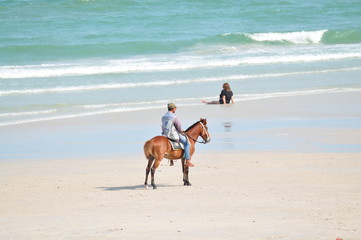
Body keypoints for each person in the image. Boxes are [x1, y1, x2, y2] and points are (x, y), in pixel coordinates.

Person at [161, 103, 194, 167]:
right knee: (187, 143)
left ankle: (171, 160)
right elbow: (178, 126)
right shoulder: (174, 116)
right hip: (172, 134)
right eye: (175, 108)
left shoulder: (163, 116)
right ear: (173, 109)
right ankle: (188, 161)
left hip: (164, 134)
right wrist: (181, 130)